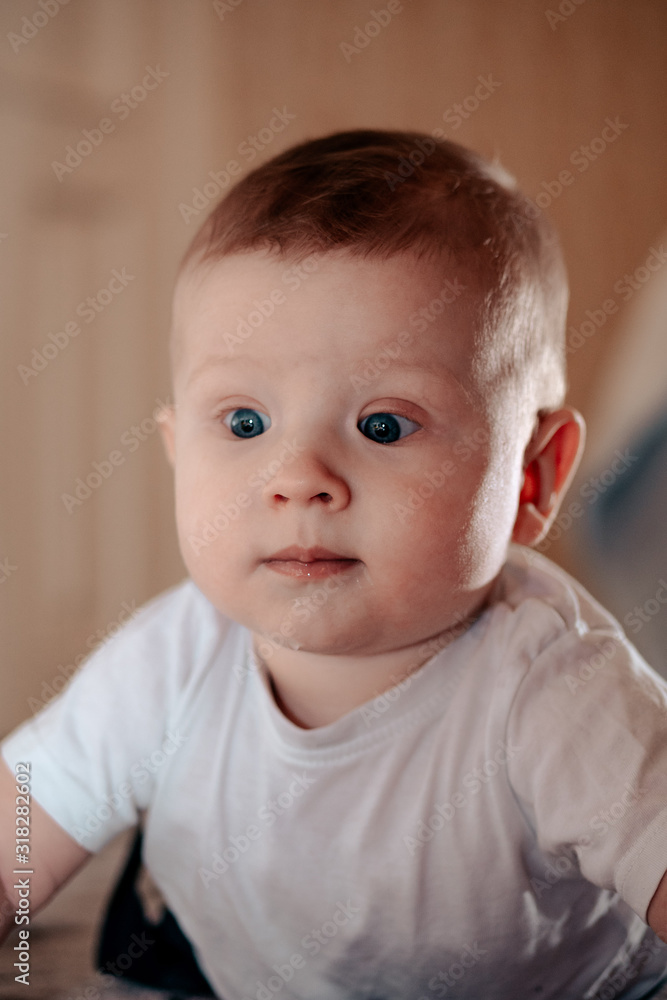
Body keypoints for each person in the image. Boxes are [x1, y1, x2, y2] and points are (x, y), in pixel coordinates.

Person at [2, 129, 667, 1000]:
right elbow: (22, 829)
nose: (298, 479)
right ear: (174, 448)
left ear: (531, 475)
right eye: (244, 424)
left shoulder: (553, 688)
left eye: (383, 425)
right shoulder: (171, 660)